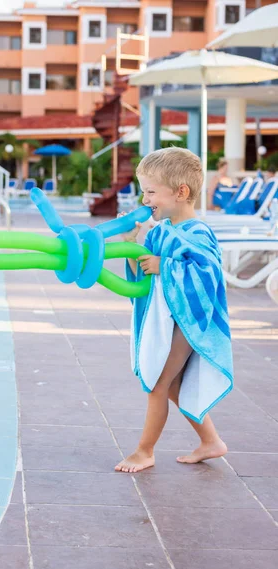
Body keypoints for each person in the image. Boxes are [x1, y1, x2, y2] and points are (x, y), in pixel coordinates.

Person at [115, 147, 233, 473]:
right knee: (173, 386)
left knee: (158, 385)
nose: (144, 200)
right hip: (171, 319)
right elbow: (142, 271)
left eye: (151, 192)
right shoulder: (162, 230)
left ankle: (144, 451)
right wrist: (133, 245)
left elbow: (207, 274)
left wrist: (163, 266)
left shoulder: (197, 232)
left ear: (181, 192)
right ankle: (211, 442)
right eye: (143, 192)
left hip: (189, 322)